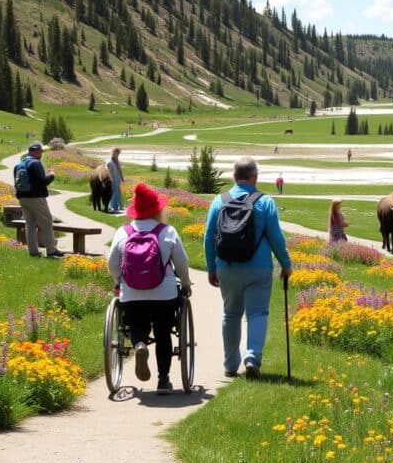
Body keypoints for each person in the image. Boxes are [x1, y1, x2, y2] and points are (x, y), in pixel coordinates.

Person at [204, 157, 292, 379]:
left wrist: (211, 267)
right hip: (258, 267)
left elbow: (209, 237)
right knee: (257, 313)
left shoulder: (219, 200)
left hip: (227, 266)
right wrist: (286, 264)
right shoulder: (265, 202)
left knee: (231, 314)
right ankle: (252, 358)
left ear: (234, 177)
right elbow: (276, 238)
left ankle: (230, 364)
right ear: (255, 177)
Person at [106, 184, 193, 394]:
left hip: (132, 294)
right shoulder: (167, 232)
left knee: (137, 325)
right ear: (156, 209)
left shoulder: (122, 232)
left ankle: (139, 345)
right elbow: (181, 263)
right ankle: (163, 380)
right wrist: (187, 284)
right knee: (163, 332)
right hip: (164, 294)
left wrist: (120, 279)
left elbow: (111, 264)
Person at [14, 141, 65, 258]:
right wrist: (52, 175)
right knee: (47, 222)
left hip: (23, 198)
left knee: (30, 224)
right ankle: (51, 250)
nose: (41, 153)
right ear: (36, 152)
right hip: (36, 198)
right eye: (40, 151)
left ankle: (33, 252)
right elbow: (43, 182)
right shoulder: (36, 163)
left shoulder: (19, 164)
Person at [106, 148, 126, 214]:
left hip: (118, 180)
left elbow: (120, 170)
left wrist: (122, 179)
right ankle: (114, 207)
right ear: (113, 153)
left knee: (118, 193)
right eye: (116, 153)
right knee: (114, 193)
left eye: (118, 154)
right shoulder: (110, 162)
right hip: (113, 180)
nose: (117, 155)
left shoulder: (117, 161)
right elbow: (109, 172)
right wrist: (111, 181)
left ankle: (120, 206)